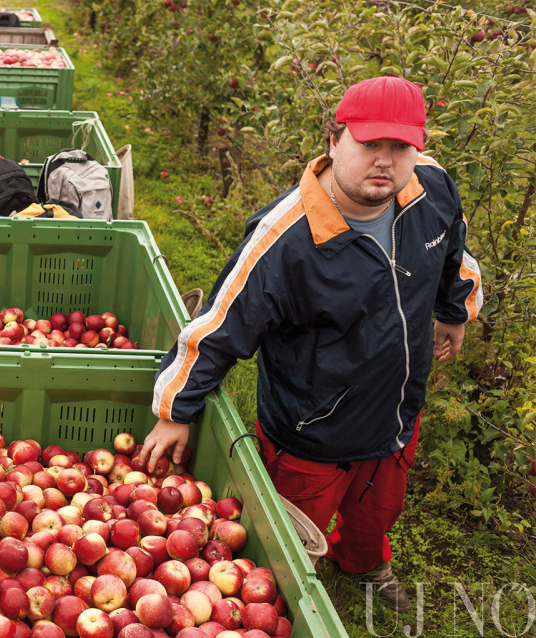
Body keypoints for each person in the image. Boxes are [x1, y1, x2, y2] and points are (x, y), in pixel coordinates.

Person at [137, 75, 483, 611]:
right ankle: (288, 593)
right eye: (370, 145)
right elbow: (220, 324)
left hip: (396, 409)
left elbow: (452, 246)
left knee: (378, 509)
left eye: (401, 147)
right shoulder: (286, 239)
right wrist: (175, 410)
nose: (385, 162)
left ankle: (366, 561)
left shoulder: (429, 187)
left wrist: (453, 309)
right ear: (334, 139)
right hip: (311, 432)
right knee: (287, 544)